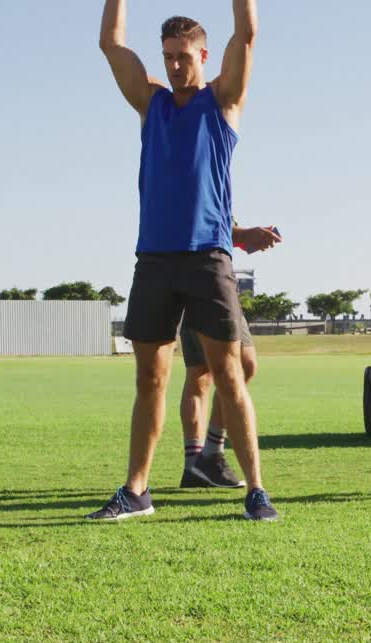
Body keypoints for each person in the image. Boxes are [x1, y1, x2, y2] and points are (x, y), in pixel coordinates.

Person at [89, 0, 281, 521]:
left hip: (207, 260)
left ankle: (256, 491)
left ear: (203, 55)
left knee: (229, 374)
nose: (175, 65)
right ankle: (136, 491)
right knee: (150, 380)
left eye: (184, 56)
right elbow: (110, 43)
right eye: (168, 56)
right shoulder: (151, 103)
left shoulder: (222, 101)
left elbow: (247, 34)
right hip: (154, 259)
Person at [179, 223, 280, 489]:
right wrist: (246, 234)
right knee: (216, 370)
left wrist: (247, 237)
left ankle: (198, 463)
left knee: (208, 371)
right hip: (203, 281)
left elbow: (220, 230)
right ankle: (206, 458)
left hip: (207, 278)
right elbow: (206, 226)